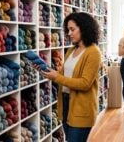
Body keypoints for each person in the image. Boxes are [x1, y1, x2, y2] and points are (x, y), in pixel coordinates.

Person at [37, 12, 101, 142]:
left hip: (81, 108)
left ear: (83, 28)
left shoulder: (93, 52)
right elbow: (63, 75)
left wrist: (57, 77)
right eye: (68, 30)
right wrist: (47, 72)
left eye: (72, 29)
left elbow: (85, 83)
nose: (69, 33)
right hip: (66, 104)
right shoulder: (71, 50)